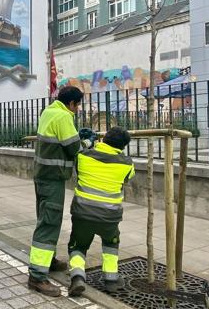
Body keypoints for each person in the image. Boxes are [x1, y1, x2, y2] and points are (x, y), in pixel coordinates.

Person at [28, 86, 88, 297]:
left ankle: (49, 261)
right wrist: (87, 142)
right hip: (53, 178)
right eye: (78, 104)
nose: (78, 109)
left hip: (42, 176)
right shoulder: (63, 116)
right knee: (49, 223)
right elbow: (75, 149)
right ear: (71, 103)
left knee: (44, 218)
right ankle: (37, 276)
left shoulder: (49, 111)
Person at [68, 126, 135, 297]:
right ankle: (111, 279)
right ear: (123, 146)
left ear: (103, 139)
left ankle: (77, 276)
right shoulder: (127, 164)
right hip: (110, 216)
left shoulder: (83, 156)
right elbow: (128, 178)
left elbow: (76, 157)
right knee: (111, 243)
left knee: (78, 246)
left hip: (83, 213)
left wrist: (87, 143)